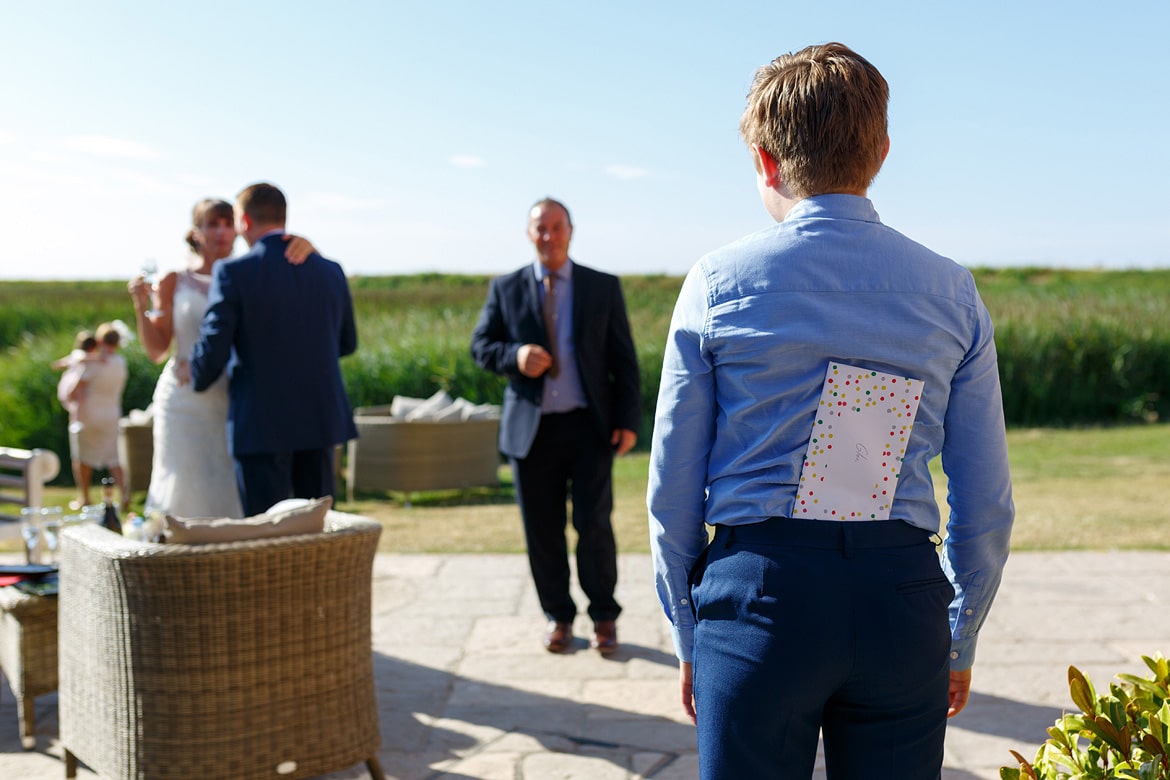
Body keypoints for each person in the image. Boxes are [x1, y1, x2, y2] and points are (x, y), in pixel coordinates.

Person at [647, 43, 1015, 779]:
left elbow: (673, 489)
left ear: (764, 161)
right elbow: (986, 504)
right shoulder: (951, 290)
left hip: (760, 598)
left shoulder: (718, 283)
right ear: (879, 152)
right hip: (899, 599)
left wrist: (689, 631)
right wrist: (957, 636)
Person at [471, 198, 641, 655]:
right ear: (529, 234)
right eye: (539, 228)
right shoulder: (506, 288)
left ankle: (604, 616)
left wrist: (628, 420)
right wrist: (516, 357)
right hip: (532, 431)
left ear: (570, 230)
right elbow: (481, 346)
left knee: (594, 525)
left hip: (589, 428)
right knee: (542, 531)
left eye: (555, 227)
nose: (548, 235)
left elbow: (623, 359)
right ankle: (558, 617)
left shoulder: (602, 286)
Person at [128, 198, 316, 518]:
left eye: (228, 223)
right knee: (185, 484)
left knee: (236, 488)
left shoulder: (249, 273)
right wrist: (140, 306)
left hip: (237, 395)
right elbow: (157, 350)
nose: (221, 231)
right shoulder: (174, 280)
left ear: (240, 227)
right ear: (196, 232)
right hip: (186, 401)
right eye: (213, 223)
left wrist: (308, 247)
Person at [190, 182, 357, 516]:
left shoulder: (234, 272)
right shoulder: (330, 269)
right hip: (319, 419)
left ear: (245, 222)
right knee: (317, 533)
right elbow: (347, 343)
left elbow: (215, 348)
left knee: (267, 535)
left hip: (260, 422)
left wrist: (196, 373)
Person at [71, 322, 129, 509]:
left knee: (82, 457)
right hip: (112, 413)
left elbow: (74, 391)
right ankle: (125, 495)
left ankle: (85, 497)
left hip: (89, 414)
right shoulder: (121, 363)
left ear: (99, 340)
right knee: (114, 458)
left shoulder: (93, 364)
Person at [52, 330, 100, 507]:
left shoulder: (81, 356)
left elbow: (72, 360)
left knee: (81, 453)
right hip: (79, 407)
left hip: (81, 411)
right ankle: (84, 495)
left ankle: (84, 496)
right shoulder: (83, 357)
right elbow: (74, 359)